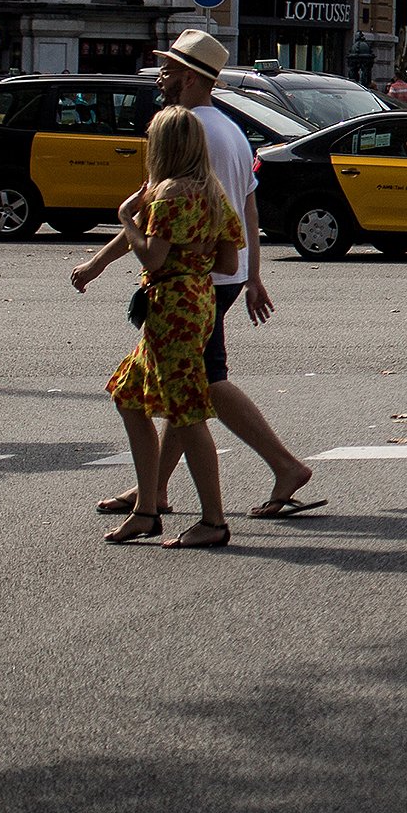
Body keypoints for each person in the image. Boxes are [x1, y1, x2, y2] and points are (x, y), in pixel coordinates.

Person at [100, 32, 317, 521]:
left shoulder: (184, 130)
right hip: (224, 274)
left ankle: (277, 470)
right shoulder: (230, 130)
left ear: (192, 78)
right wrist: (253, 273)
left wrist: (102, 259)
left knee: (201, 386)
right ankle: (152, 490)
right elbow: (243, 206)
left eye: (169, 69)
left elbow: (155, 213)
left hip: (191, 284)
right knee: (193, 384)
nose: (161, 78)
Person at [73, 105, 240, 548]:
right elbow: (228, 261)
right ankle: (147, 507)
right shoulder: (211, 192)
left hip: (172, 306)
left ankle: (213, 520)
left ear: (163, 145)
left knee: (186, 412)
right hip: (199, 298)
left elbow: (152, 256)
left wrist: (126, 218)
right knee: (130, 396)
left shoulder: (169, 193)